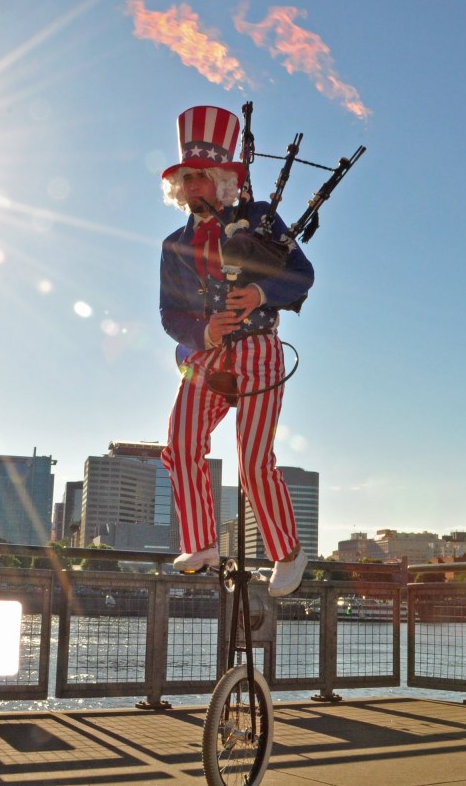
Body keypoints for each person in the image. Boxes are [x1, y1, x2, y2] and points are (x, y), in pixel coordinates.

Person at [157, 105, 313, 597]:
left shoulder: (261, 217)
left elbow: (301, 275)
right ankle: (201, 543)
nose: (192, 185)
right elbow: (169, 314)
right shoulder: (173, 243)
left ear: (223, 178)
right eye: (186, 177)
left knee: (252, 462)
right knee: (179, 445)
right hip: (205, 358)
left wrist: (262, 295)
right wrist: (202, 334)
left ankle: (287, 551)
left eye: (201, 176)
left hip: (258, 350)